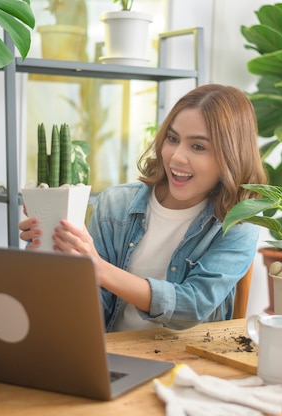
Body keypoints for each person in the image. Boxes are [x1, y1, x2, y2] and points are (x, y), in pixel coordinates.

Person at [19, 84, 267, 331]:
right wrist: (57, 257)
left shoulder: (240, 223)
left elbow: (192, 305)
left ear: (232, 156)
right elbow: (89, 313)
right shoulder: (115, 206)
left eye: (198, 147)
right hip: (114, 358)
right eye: (172, 139)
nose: (176, 157)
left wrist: (97, 267)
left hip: (190, 364)